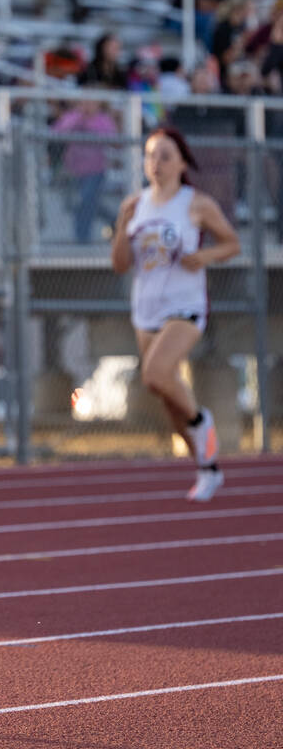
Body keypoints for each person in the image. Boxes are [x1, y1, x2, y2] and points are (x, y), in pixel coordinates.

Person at [110, 126, 240, 503]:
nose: (156, 163)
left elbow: (231, 243)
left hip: (185, 305)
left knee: (156, 373)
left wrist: (204, 256)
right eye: (150, 155)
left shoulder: (195, 203)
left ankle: (201, 422)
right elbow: (120, 264)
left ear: (182, 162)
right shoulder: (136, 205)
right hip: (146, 307)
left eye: (165, 156)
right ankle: (208, 468)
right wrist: (121, 225)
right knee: (164, 394)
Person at [52, 93, 119, 243]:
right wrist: (79, 119)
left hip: (95, 171)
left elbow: (112, 138)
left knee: (86, 201)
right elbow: (57, 131)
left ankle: (82, 239)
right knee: (78, 204)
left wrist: (89, 124)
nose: (88, 105)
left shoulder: (103, 120)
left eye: (91, 102)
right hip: (73, 170)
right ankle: (114, 219)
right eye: (85, 101)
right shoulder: (73, 116)